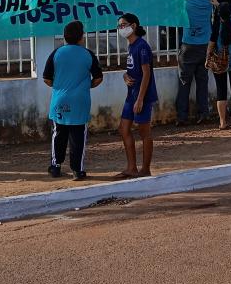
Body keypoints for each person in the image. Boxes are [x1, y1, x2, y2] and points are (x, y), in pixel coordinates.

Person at [42, 20, 104, 179]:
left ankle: (55, 167)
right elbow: (98, 78)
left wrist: (60, 86)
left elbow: (46, 79)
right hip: (80, 101)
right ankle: (78, 170)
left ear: (65, 36)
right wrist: (85, 86)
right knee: (78, 137)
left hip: (60, 101)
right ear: (81, 37)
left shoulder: (56, 53)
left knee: (58, 134)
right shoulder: (88, 54)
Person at [176, 0, 214, 126]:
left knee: (184, 82)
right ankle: (204, 113)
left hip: (188, 45)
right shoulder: (211, 3)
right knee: (202, 82)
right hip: (204, 47)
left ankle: (182, 117)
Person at [116, 13, 157, 178]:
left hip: (142, 96)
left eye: (123, 25)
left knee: (144, 132)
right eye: (119, 26)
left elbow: (146, 73)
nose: (121, 28)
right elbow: (134, 70)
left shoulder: (142, 46)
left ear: (133, 26)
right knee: (124, 128)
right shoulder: (131, 46)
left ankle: (145, 169)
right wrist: (125, 76)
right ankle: (131, 167)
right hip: (131, 94)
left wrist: (140, 98)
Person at [209, 3, 231, 130]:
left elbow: (211, 44)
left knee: (221, 92)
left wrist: (208, 57)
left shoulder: (217, 26)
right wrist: (221, 7)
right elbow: (226, 14)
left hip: (220, 63)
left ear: (218, 14)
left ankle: (223, 122)